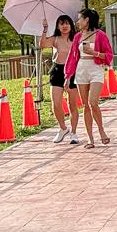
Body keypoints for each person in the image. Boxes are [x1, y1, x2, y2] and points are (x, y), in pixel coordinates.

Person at [69, 8, 112, 147]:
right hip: (81, 70)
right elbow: (72, 58)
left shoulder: (101, 35)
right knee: (85, 105)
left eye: (80, 18)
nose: (78, 21)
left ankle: (101, 131)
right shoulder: (77, 37)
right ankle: (90, 138)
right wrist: (68, 76)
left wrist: (95, 53)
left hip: (95, 69)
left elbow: (109, 55)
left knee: (93, 102)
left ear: (87, 19)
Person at [39, 14, 77, 142]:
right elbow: (43, 44)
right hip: (57, 70)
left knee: (72, 105)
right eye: (61, 24)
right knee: (56, 103)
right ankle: (62, 128)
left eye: (67, 23)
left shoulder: (76, 39)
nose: (64, 26)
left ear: (71, 25)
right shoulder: (55, 39)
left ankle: (74, 132)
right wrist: (45, 29)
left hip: (72, 71)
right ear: (58, 26)